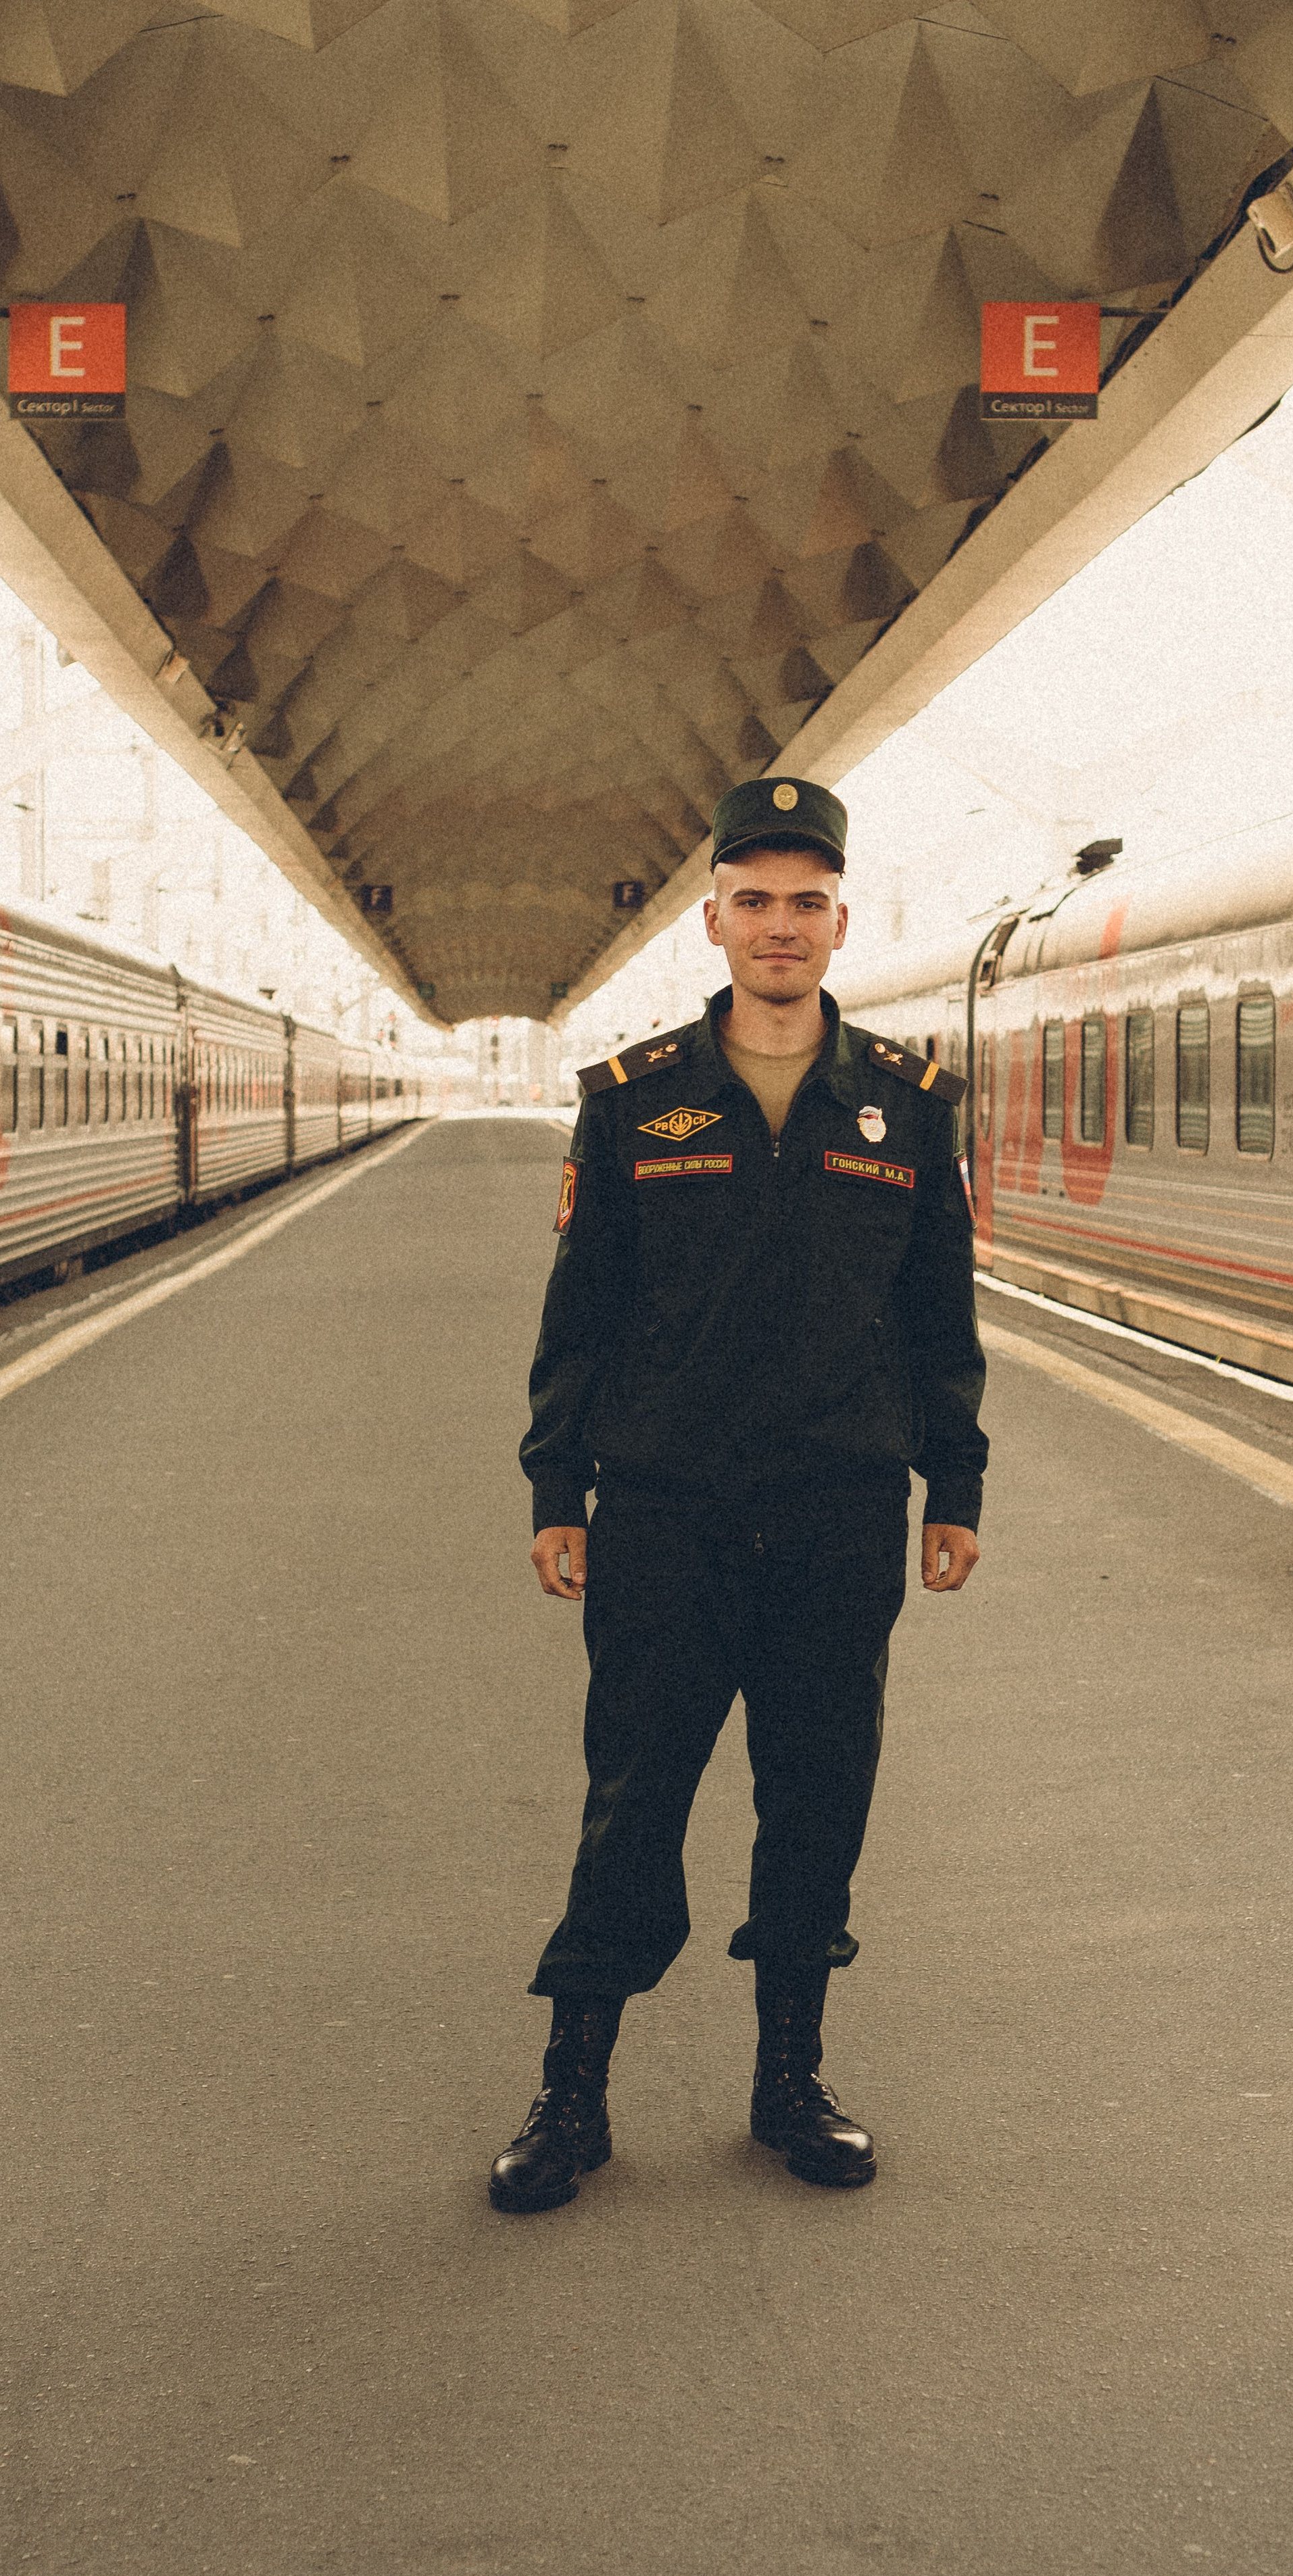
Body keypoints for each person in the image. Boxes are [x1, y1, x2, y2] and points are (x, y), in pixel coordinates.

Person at [489, 775, 987, 2214]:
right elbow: (576, 1318)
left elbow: (934, 1318)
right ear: (712, 920)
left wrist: (950, 1482)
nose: (780, 924)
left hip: (837, 1518)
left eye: (806, 901)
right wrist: (553, 1491)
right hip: (662, 1512)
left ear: (841, 922)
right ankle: (570, 2096)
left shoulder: (904, 1108)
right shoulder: (633, 1103)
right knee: (632, 1799)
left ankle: (788, 2084)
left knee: (816, 1798)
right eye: (754, 900)